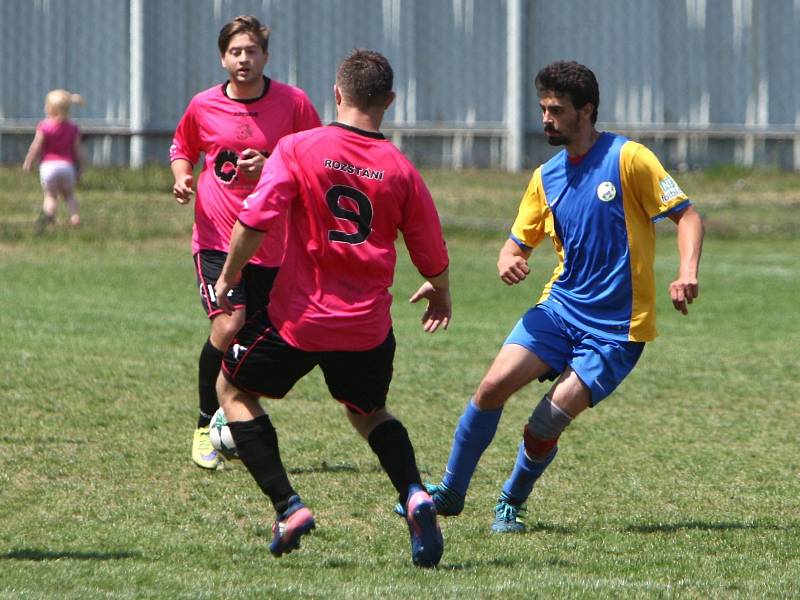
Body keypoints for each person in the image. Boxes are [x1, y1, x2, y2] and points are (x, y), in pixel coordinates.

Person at [417, 60, 705, 533]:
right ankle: (450, 491)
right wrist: (507, 258)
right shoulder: (546, 176)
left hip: (616, 330)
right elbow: (516, 242)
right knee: (490, 388)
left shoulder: (629, 159)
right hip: (560, 308)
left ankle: (511, 501)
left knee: (544, 423)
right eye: (542, 109)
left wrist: (686, 272)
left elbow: (688, 217)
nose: (545, 119)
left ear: (586, 110)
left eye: (556, 110)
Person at [214, 49, 450, 567]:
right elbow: (431, 251)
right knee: (367, 411)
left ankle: (288, 506)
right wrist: (441, 290)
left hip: (300, 321)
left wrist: (228, 280)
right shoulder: (402, 170)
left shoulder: (299, 147)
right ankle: (413, 492)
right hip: (366, 327)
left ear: (336, 94)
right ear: (390, 101)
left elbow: (256, 219)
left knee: (231, 389)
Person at [169, 15, 321, 470]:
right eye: (235, 52)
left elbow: (316, 157)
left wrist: (271, 164)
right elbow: (183, 147)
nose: (243, 59)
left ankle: (232, 418)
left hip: (274, 244)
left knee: (256, 336)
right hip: (217, 239)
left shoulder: (293, 103)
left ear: (265, 57)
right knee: (229, 323)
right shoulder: (203, 105)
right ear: (223, 57)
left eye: (251, 51)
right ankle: (203, 425)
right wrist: (181, 177)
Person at [22, 89, 84, 233]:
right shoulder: (73, 128)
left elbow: (35, 146)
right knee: (69, 195)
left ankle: (49, 218)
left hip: (48, 167)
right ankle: (74, 217)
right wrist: (81, 167)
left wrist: (29, 162)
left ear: (49, 108)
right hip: (67, 167)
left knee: (50, 196)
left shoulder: (44, 126)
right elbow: (78, 150)